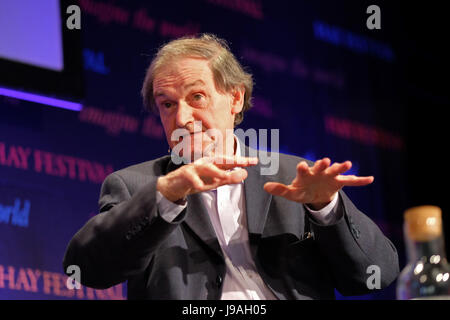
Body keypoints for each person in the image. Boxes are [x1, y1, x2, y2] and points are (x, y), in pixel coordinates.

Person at [63, 34, 399, 299]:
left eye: (197, 97)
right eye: (167, 104)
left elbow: (376, 275)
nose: (181, 118)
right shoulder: (137, 185)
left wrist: (327, 208)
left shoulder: (295, 178)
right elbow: (85, 269)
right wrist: (166, 195)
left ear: (235, 98)